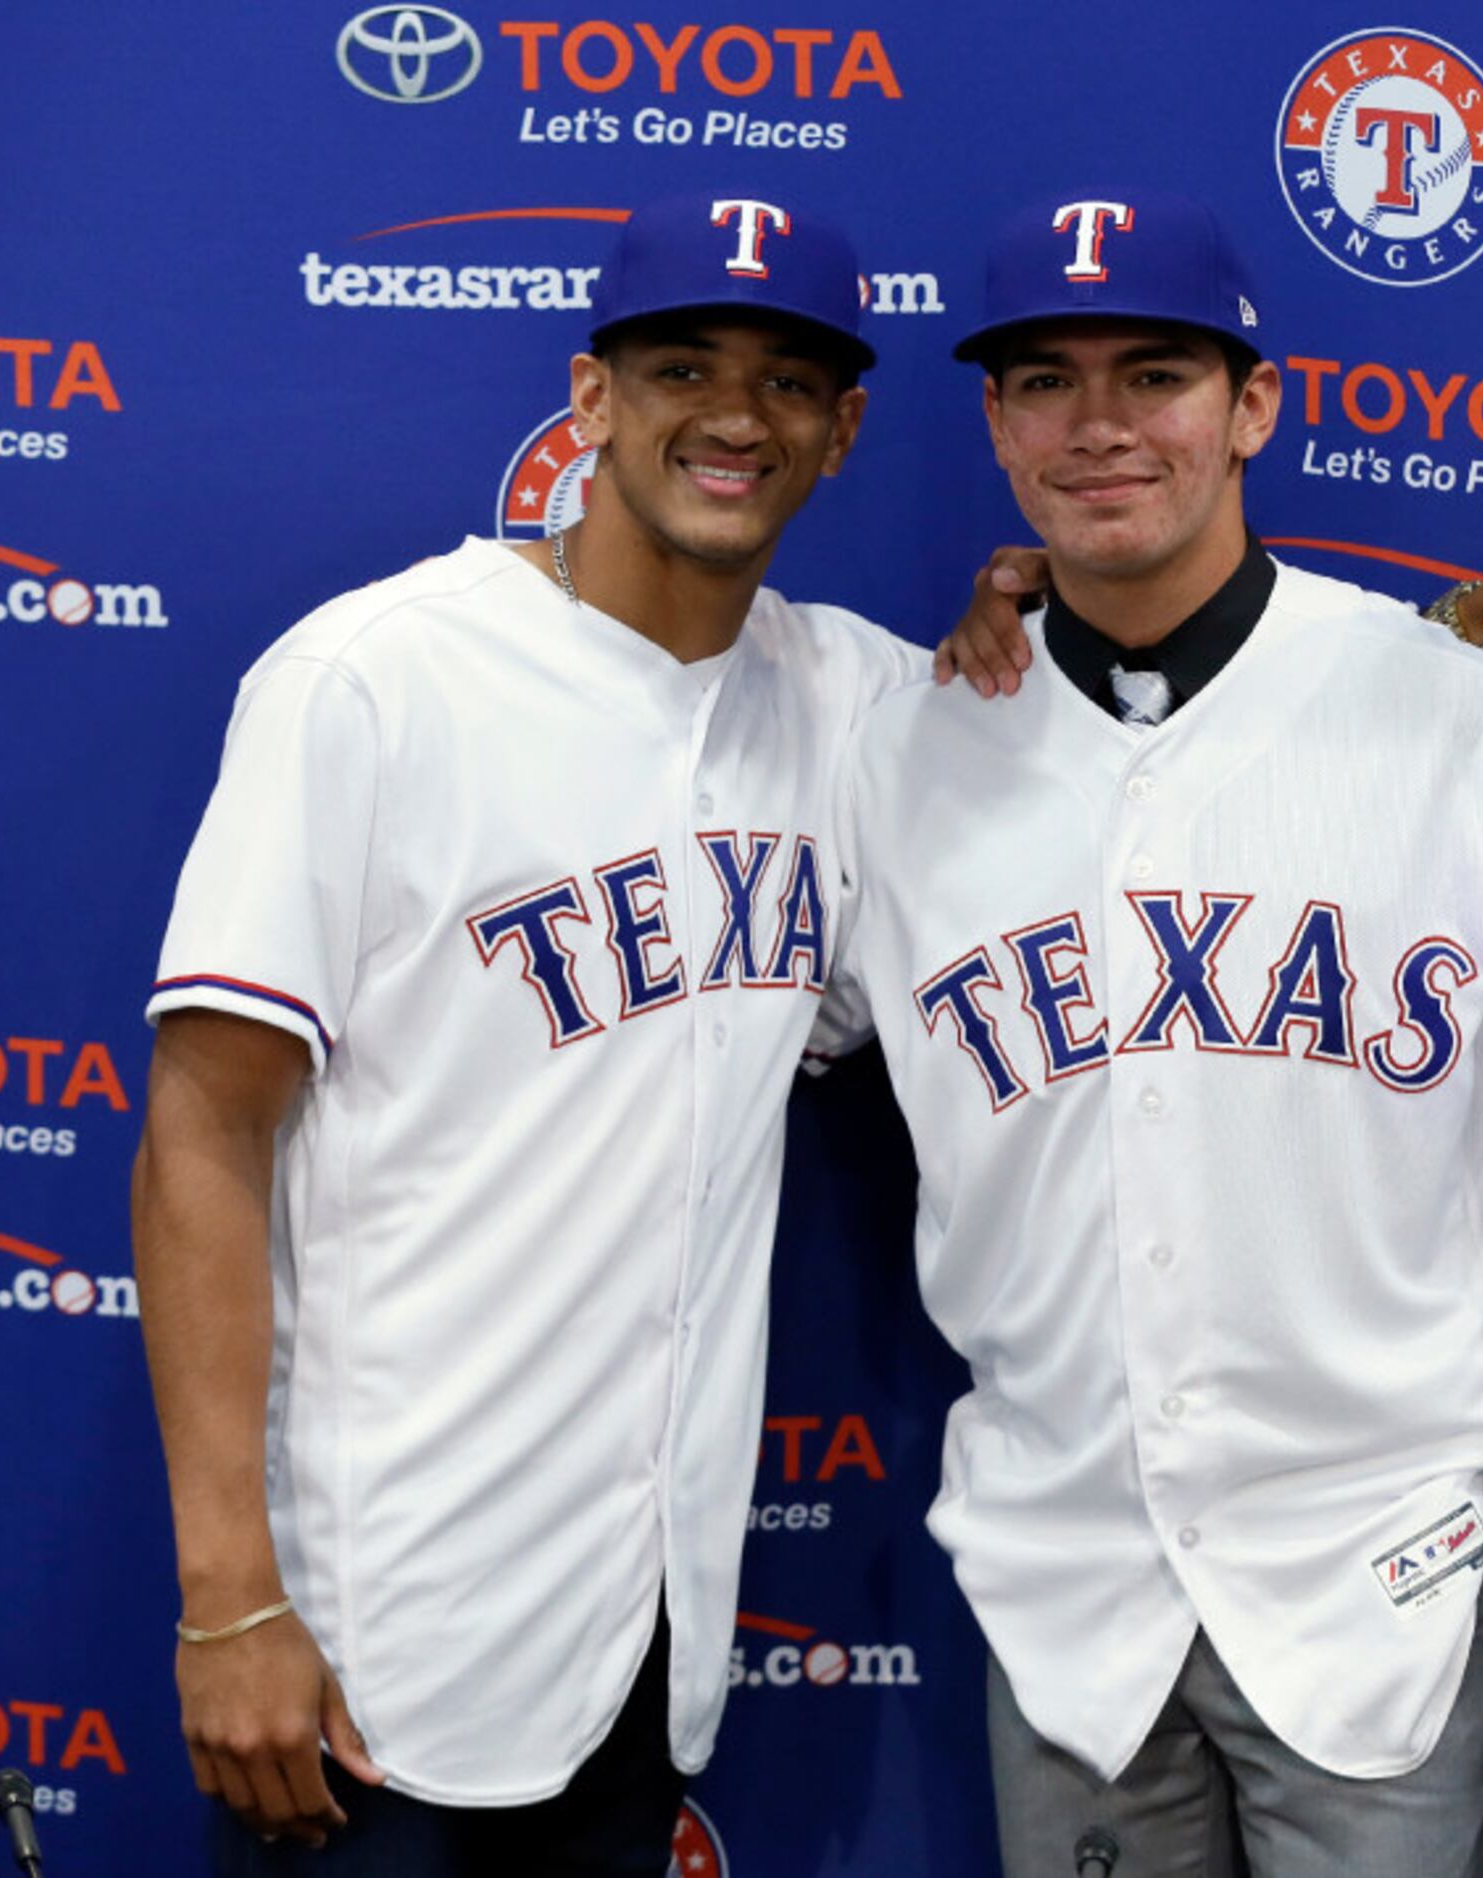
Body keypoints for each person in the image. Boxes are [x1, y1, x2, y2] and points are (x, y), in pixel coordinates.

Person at [132, 191, 918, 1874]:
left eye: (790, 380)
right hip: (376, 1627)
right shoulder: (375, 679)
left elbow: (1114, 735)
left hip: (645, 1619)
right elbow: (202, 1129)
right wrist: (227, 1599)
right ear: (589, 398)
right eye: (682, 364)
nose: (734, 412)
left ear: (843, 430)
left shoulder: (856, 697)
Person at [816, 188, 1483, 1877]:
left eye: (1153, 373)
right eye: (1044, 384)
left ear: (1253, 404)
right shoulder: (895, 751)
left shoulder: (1460, 708)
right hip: (1066, 1569)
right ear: (995, 428)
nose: (1099, 426)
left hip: (1375, 1568)